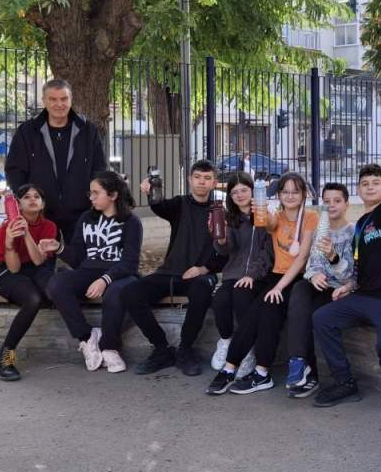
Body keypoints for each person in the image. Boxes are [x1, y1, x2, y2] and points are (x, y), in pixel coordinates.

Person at [311, 164, 381, 408]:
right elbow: (360, 267)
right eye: (365, 184)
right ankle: (345, 382)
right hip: (364, 296)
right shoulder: (359, 226)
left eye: (376, 183)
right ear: (358, 190)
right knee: (322, 318)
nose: (370, 187)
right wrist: (349, 285)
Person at [207, 173, 318, 395]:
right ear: (278, 194)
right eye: (285, 191)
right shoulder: (276, 216)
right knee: (256, 314)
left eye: (295, 191)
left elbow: (302, 258)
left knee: (267, 313)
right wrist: (260, 207)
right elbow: (267, 222)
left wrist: (278, 288)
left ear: (304, 194)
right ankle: (231, 368)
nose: (290, 196)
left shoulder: (310, 217)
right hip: (276, 277)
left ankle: (261, 372)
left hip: (298, 278)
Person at [123, 160, 224, 376]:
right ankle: (161, 349)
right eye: (197, 177)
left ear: (214, 183)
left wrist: (204, 269)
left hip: (200, 276)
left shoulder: (219, 211)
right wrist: (151, 191)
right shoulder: (180, 204)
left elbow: (225, 254)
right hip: (169, 272)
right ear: (189, 180)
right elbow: (159, 205)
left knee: (202, 290)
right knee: (130, 293)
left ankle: (185, 350)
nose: (201, 182)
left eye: (207, 178)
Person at [44, 171, 142, 373]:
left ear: (113, 195)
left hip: (121, 274)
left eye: (96, 193)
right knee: (56, 283)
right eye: (90, 193)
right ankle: (87, 337)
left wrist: (105, 279)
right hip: (89, 271)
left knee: (115, 292)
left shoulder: (131, 222)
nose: (91, 197)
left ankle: (110, 347)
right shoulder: (86, 219)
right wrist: (59, 248)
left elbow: (130, 263)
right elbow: (79, 258)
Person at [4, 79, 107, 245]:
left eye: (64, 99)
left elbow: (99, 169)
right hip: (40, 216)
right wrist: (26, 201)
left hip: (81, 214)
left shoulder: (88, 131)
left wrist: (94, 200)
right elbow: (14, 170)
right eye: (53, 99)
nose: (59, 104)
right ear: (44, 101)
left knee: (79, 259)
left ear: (71, 99)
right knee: (42, 260)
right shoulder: (27, 131)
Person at [283, 182, 354, 399]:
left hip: (340, 291)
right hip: (319, 286)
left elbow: (351, 275)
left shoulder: (354, 232)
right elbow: (312, 264)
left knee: (310, 313)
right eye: (326, 201)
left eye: (337, 201)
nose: (331, 205)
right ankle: (298, 362)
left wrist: (333, 257)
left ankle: (310, 374)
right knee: (300, 290)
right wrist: (314, 275)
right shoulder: (320, 230)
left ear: (347, 204)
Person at [207, 172, 273, 378]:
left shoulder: (266, 216)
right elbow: (226, 251)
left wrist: (252, 274)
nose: (240, 195)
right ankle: (226, 341)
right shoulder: (230, 218)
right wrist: (221, 239)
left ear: (253, 191)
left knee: (242, 297)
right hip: (234, 273)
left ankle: (248, 349)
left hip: (259, 276)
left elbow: (268, 252)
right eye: (234, 192)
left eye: (244, 190)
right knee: (220, 299)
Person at [0, 184, 58, 381]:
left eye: (37, 196)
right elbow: (14, 269)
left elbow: (38, 261)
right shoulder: (5, 229)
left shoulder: (49, 227)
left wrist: (26, 233)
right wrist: (9, 243)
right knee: (33, 299)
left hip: (37, 269)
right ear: (18, 204)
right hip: (10, 273)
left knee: (55, 292)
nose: (32, 199)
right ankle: (4, 359)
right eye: (27, 197)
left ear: (42, 204)